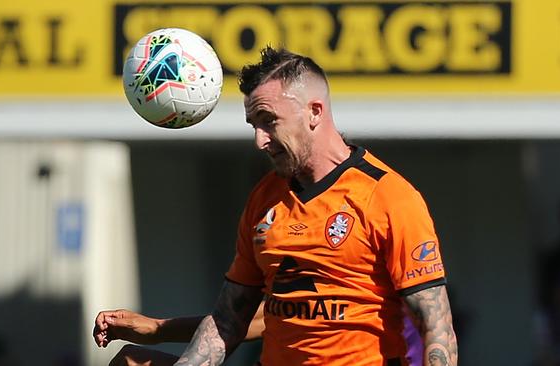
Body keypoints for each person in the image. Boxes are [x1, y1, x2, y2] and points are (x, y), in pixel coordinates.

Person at [94, 46, 458, 366]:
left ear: (314, 111)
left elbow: (436, 325)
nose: (260, 140)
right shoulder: (265, 198)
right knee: (131, 363)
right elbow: (229, 320)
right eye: (254, 125)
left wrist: (159, 330)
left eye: (269, 122)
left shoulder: (388, 196)